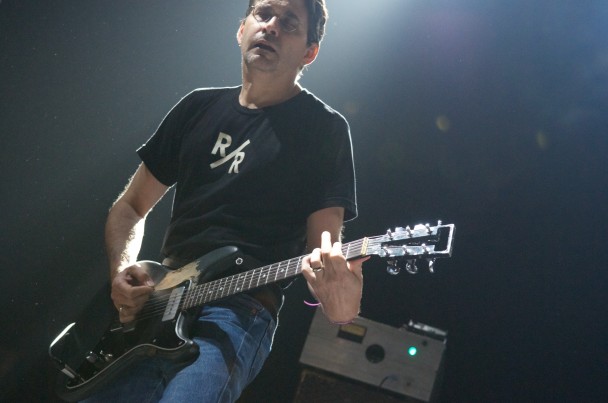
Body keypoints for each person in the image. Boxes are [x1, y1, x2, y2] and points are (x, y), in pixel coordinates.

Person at [87, 0, 367, 401]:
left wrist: (342, 302)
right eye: (264, 14)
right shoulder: (197, 107)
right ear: (241, 29)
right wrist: (121, 273)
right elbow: (130, 207)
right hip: (158, 304)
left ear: (310, 52)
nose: (271, 27)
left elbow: (324, 251)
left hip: (238, 310)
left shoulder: (325, 130)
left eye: (289, 23)